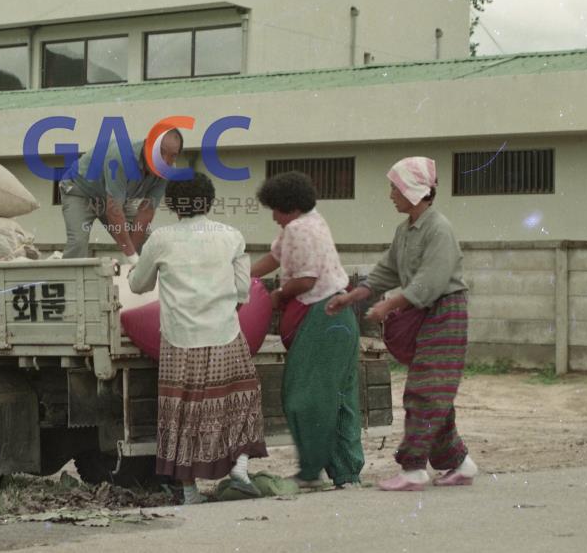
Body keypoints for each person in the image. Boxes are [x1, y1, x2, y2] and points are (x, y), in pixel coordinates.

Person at [326, 156, 478, 492]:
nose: (390, 194)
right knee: (434, 392)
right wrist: (351, 297)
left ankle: (413, 469)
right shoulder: (406, 230)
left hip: (445, 313)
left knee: (425, 391)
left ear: (412, 190)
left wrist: (389, 304)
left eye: (395, 187)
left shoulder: (439, 229)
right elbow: (386, 271)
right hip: (425, 314)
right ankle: (459, 462)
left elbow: (430, 281)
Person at [128, 171, 267, 503]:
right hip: (225, 334)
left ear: (173, 205)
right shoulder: (231, 235)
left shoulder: (161, 239)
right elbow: (243, 290)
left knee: (184, 413)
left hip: (180, 340)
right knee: (240, 401)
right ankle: (241, 466)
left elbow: (138, 285)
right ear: (210, 201)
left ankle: (190, 492)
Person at [250, 171, 364, 490]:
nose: (273, 217)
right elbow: (275, 257)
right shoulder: (310, 222)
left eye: (275, 209)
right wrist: (243, 276)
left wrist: (274, 296)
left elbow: (306, 280)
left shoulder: (300, 228)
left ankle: (314, 470)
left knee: (306, 396)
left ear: (289, 207)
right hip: (337, 318)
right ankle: (345, 471)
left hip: (324, 316)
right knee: (336, 396)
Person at [60, 130, 183, 259]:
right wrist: (131, 256)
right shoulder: (121, 156)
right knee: (78, 242)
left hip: (113, 197)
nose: (164, 160)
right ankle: (67, 278)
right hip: (80, 190)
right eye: (160, 152)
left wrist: (134, 258)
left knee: (146, 243)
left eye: (173, 155)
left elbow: (146, 211)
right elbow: (114, 211)